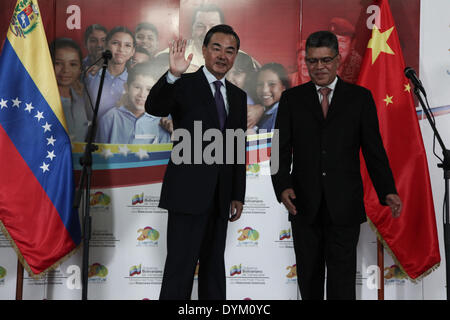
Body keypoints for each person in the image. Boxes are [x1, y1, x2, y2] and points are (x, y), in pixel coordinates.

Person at [271, 31, 403, 300]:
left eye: (326, 60)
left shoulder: (360, 98)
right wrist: (282, 185)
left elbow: (374, 150)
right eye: (313, 61)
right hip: (303, 204)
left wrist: (387, 189)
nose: (319, 67)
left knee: (342, 282)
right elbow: (277, 150)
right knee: (309, 278)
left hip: (344, 205)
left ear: (338, 59)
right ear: (306, 62)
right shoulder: (291, 99)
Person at [145, 24, 247, 300]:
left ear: (236, 55)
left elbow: (237, 146)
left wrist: (237, 193)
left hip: (220, 197)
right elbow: (154, 108)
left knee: (214, 270)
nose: (223, 56)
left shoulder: (238, 97)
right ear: (204, 50)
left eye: (230, 50)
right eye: (217, 48)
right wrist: (173, 75)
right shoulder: (183, 84)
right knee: (180, 268)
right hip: (186, 195)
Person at [96, 62, 170, 144]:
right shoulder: (110, 118)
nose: (142, 94)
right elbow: (99, 154)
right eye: (137, 87)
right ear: (126, 87)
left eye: (149, 89)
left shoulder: (163, 122)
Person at [85, 26, 135, 121]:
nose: (121, 49)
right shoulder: (90, 75)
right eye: (115, 43)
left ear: (133, 51)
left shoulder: (133, 81)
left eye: (127, 45)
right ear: (105, 46)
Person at [50, 38, 92, 142]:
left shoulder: (83, 100)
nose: (66, 70)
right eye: (58, 63)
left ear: (80, 69)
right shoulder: (40, 102)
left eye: (73, 64)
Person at [254, 62, 290, 132]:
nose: (265, 90)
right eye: (260, 84)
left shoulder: (281, 113)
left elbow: (275, 142)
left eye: (272, 84)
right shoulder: (265, 112)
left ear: (283, 87)